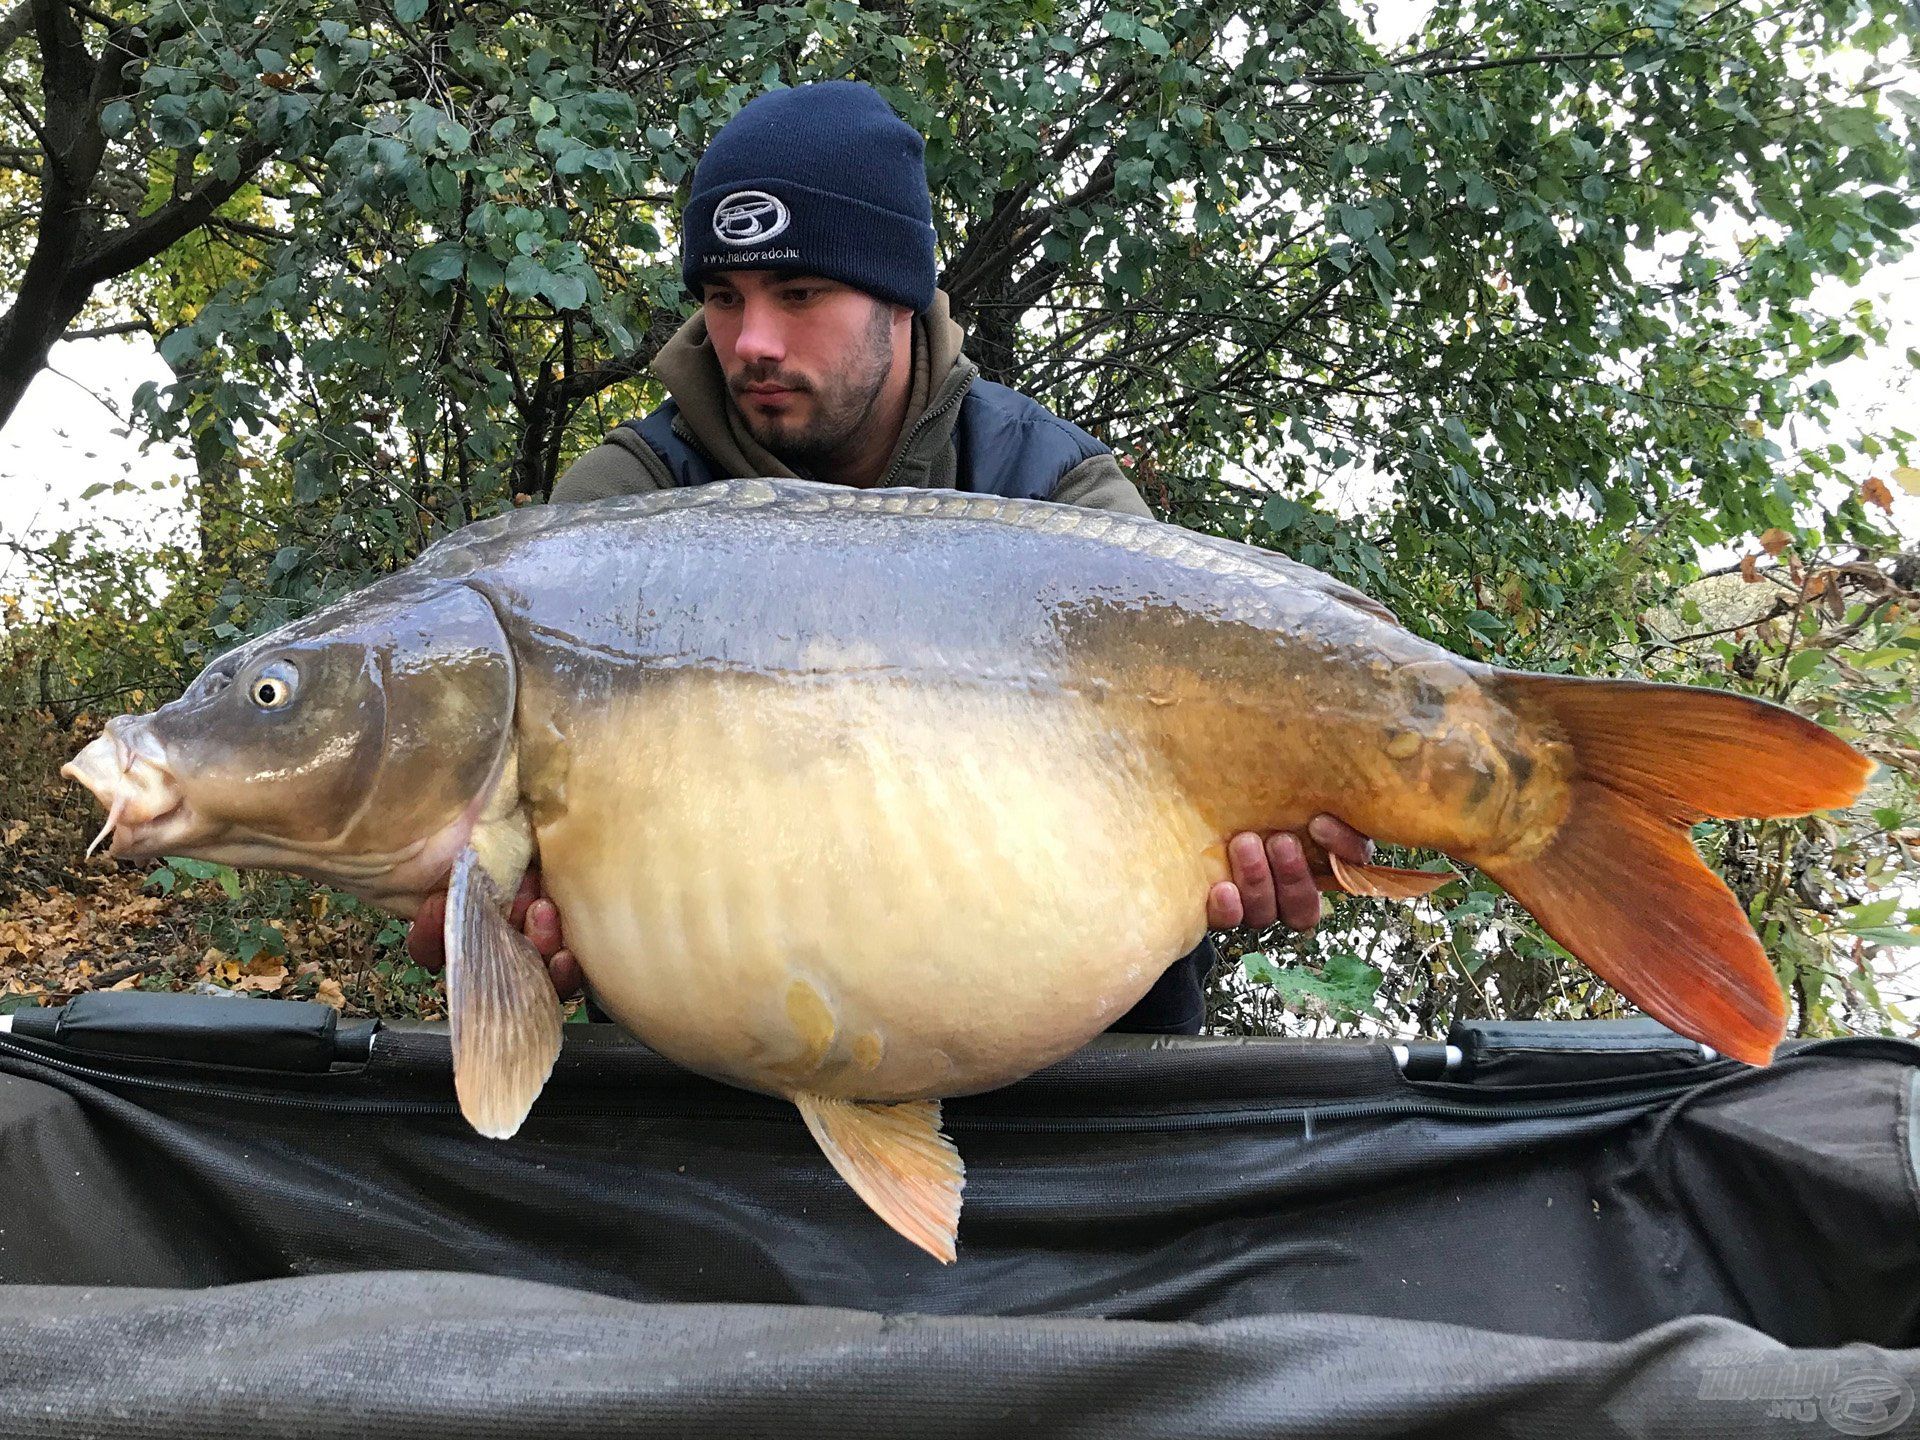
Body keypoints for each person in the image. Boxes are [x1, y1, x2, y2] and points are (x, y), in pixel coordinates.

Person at [406, 81, 1372, 1032]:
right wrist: (505, 926)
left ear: (902, 297)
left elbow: (1185, 829)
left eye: (799, 292)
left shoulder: (1056, 495)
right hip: (722, 1079)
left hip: (1060, 1062)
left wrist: (1260, 861)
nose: (753, 342)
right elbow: (516, 868)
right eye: (722, 297)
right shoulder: (621, 511)